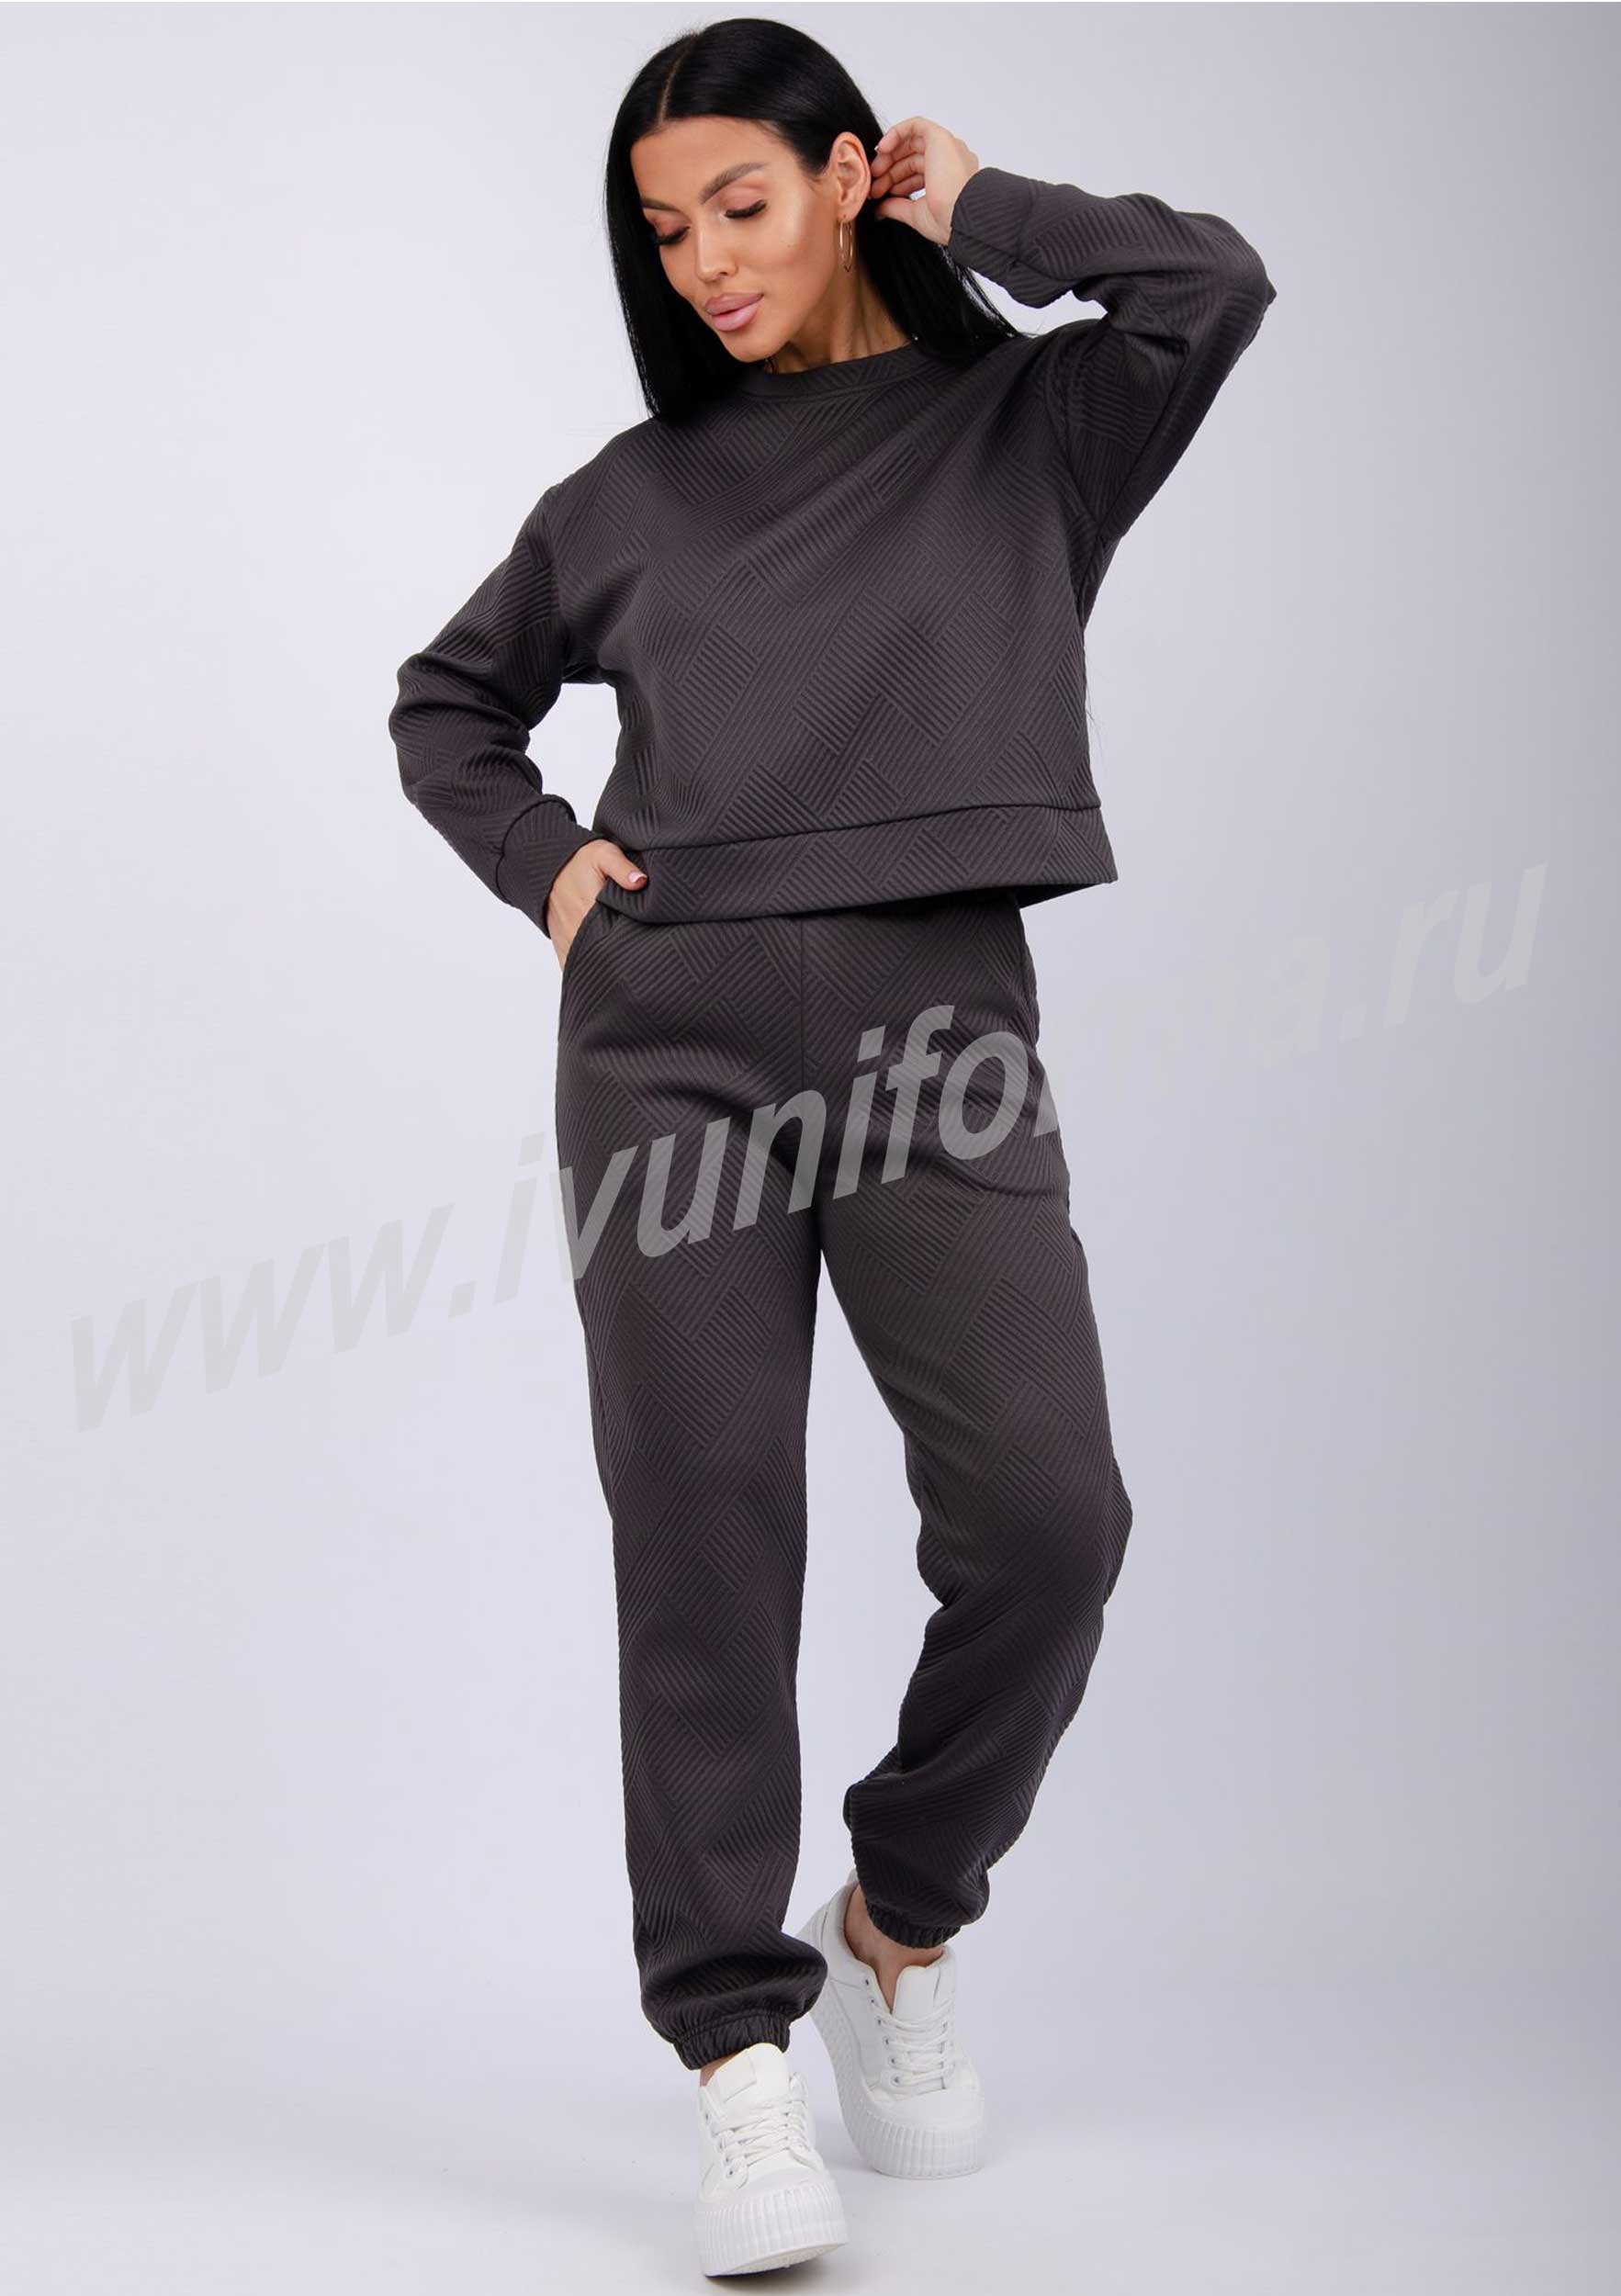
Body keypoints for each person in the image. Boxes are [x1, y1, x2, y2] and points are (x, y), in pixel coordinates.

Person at [388, 17, 1276, 2278]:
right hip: (666, 1047)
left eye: (743, 205)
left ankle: (896, 1913)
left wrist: (977, 205)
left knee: (1049, 1520)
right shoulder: (624, 496)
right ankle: (733, 2052)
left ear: (845, 177)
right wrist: (551, 869)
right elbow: (448, 700)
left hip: (936, 1038)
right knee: (705, 1539)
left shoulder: (1032, 427)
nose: (700, 260)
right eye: (661, 227)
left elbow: (1209, 286)